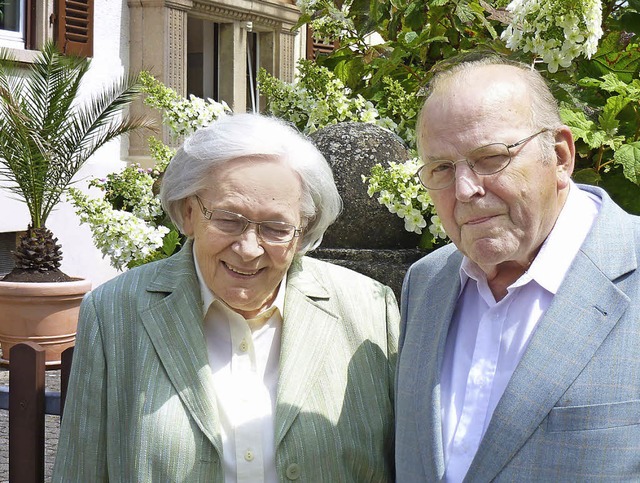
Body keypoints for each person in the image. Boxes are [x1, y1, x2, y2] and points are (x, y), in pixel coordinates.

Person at [53, 113, 399, 482]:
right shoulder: (115, 312)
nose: (249, 249)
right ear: (189, 214)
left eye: (276, 228)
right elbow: (82, 469)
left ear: (302, 232)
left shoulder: (368, 308)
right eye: (228, 220)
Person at [395, 55, 640, 482]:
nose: (466, 189)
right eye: (441, 168)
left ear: (561, 156)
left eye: (490, 157)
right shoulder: (426, 282)